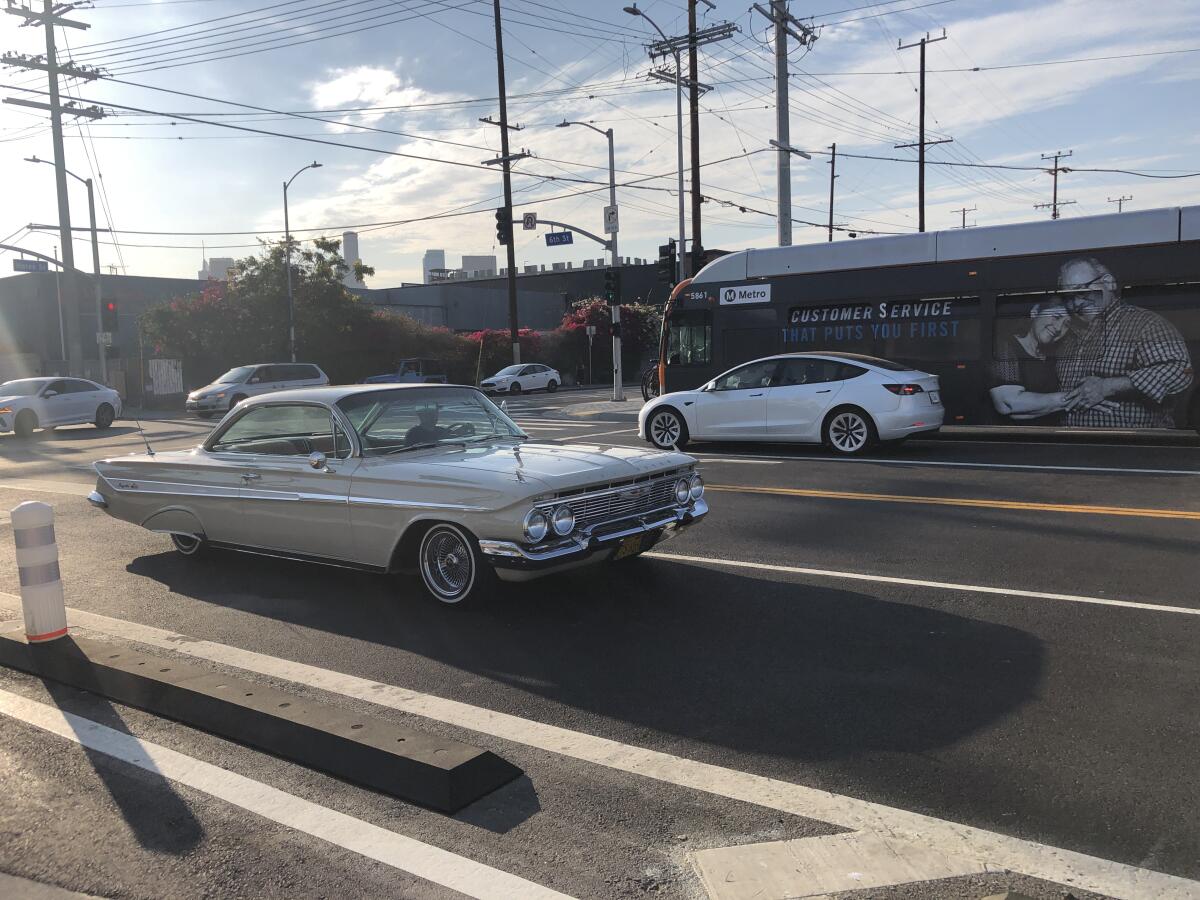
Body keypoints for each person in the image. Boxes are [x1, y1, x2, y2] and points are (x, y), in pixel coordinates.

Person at [1054, 258, 1192, 428]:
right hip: (1072, 448)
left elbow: (1180, 371)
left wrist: (1108, 387)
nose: (1076, 303)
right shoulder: (1068, 338)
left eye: (1082, 291)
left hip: (1131, 449)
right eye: (1069, 297)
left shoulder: (1144, 324)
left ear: (1108, 282)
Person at [989, 300, 1074, 423]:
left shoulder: (1053, 357)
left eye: (1067, 324)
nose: (1058, 328)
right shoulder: (1004, 347)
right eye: (1056, 317)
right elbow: (1008, 404)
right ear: (1035, 312)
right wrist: (1077, 397)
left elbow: (1029, 412)